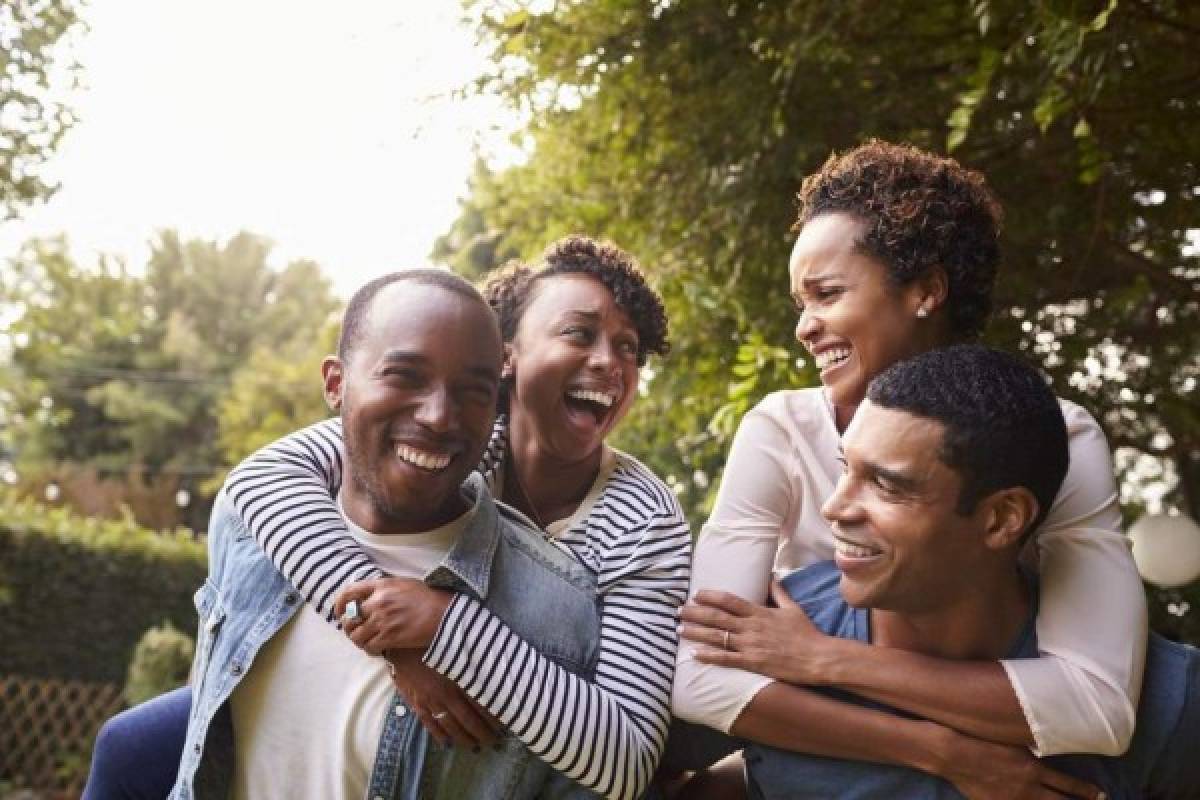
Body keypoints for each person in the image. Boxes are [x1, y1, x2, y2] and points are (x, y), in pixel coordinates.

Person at [85, 237, 691, 800]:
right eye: (579, 334)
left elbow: (624, 750)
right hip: (344, 689)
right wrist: (398, 641)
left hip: (537, 711)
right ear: (509, 358)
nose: (609, 361)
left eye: (628, 347)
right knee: (129, 743)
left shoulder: (642, 519)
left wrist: (443, 627)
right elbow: (259, 481)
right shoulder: (466, 431)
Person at [671, 140, 1147, 794]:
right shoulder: (779, 431)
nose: (805, 328)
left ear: (926, 291)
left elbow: (1094, 703)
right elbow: (699, 680)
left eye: (827, 293)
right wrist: (943, 751)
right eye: (799, 303)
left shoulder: (1056, 437)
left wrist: (821, 659)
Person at [676, 345, 1200, 799]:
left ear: (1001, 518)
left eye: (887, 484)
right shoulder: (755, 642)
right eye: (846, 468)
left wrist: (825, 660)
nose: (835, 508)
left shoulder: (1165, 700)